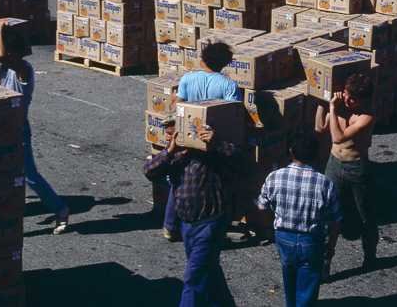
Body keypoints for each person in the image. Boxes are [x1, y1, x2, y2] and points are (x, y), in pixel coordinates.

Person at [144, 115, 240, 307]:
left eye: (172, 134)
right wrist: (170, 151)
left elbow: (239, 160)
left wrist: (217, 142)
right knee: (209, 270)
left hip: (209, 224)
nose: (169, 138)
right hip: (187, 226)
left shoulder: (208, 153)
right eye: (168, 135)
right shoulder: (174, 156)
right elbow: (150, 171)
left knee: (194, 279)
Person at [0, 20, 70, 234]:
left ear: (13, 51)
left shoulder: (24, 69)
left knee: (29, 175)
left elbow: (1, 56)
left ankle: (60, 209)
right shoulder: (4, 70)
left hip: (17, 130)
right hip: (0, 131)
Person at [163, 41, 241, 241]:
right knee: (213, 183)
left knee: (179, 180)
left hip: (187, 140)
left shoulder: (188, 79)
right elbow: (234, 116)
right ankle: (212, 225)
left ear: (203, 60)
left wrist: (174, 97)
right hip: (211, 142)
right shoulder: (229, 85)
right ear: (225, 64)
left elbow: (174, 110)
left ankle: (170, 227)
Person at [256, 132, 343, 307]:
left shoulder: (274, 177)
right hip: (312, 242)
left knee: (289, 280)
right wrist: (331, 247)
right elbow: (334, 220)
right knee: (308, 288)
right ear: (316, 155)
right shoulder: (325, 183)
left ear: (291, 151)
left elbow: (261, 207)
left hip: (284, 240)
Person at [315, 73, 378, 269]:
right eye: (347, 95)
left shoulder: (367, 117)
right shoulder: (339, 108)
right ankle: (326, 260)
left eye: (354, 99)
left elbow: (338, 137)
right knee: (327, 213)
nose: (348, 101)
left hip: (356, 168)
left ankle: (370, 256)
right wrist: (321, 101)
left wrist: (332, 108)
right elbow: (319, 128)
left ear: (365, 99)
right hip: (334, 164)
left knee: (364, 215)